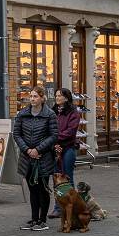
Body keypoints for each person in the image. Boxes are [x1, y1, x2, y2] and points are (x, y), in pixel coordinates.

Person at [12, 86, 58, 231]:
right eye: (31, 96)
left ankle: (42, 220)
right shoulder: (22, 114)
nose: (32, 99)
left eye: (35, 96)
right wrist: (27, 150)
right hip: (27, 158)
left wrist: (38, 149)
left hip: (43, 158)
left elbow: (53, 135)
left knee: (42, 189)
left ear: (42, 98)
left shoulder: (49, 114)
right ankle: (34, 218)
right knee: (32, 189)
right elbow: (16, 134)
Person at [49, 88, 81, 219]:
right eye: (56, 95)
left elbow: (71, 131)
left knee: (67, 178)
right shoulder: (52, 112)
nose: (57, 98)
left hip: (67, 148)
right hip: (54, 148)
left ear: (66, 98)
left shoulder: (73, 113)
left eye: (60, 96)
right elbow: (48, 128)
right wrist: (53, 142)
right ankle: (58, 207)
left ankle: (71, 206)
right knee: (56, 178)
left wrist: (56, 138)